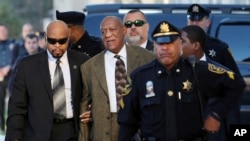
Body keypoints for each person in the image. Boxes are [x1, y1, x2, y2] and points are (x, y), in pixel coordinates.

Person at [118, 21, 246, 141]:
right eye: (160, 44)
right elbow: (127, 124)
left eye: (170, 43)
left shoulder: (198, 71)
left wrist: (216, 115)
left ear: (180, 45)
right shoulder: (139, 77)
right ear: (154, 47)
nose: (165, 48)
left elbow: (237, 84)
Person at [5, 20, 90, 141]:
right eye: (52, 41)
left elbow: (92, 96)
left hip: (72, 131)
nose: (57, 45)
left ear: (68, 38)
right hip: (38, 133)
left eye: (62, 41)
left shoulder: (83, 62)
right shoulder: (27, 65)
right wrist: (14, 137)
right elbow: (17, 107)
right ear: (45, 39)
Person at [78, 16, 155, 141]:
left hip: (138, 132)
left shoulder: (146, 58)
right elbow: (84, 105)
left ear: (124, 30)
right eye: (103, 32)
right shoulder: (89, 66)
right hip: (102, 133)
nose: (108, 35)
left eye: (112, 30)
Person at [187, 3, 243, 134]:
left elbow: (236, 82)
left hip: (212, 110)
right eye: (191, 19)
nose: (194, 23)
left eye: (198, 20)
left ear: (207, 22)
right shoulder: (177, 46)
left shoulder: (219, 48)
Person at [0, 23, 14, 133]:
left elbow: (17, 58)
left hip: (11, 77)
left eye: (5, 30)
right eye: (1, 31)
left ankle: (12, 125)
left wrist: (9, 67)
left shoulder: (14, 44)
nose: (3, 32)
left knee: (13, 102)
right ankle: (1, 126)